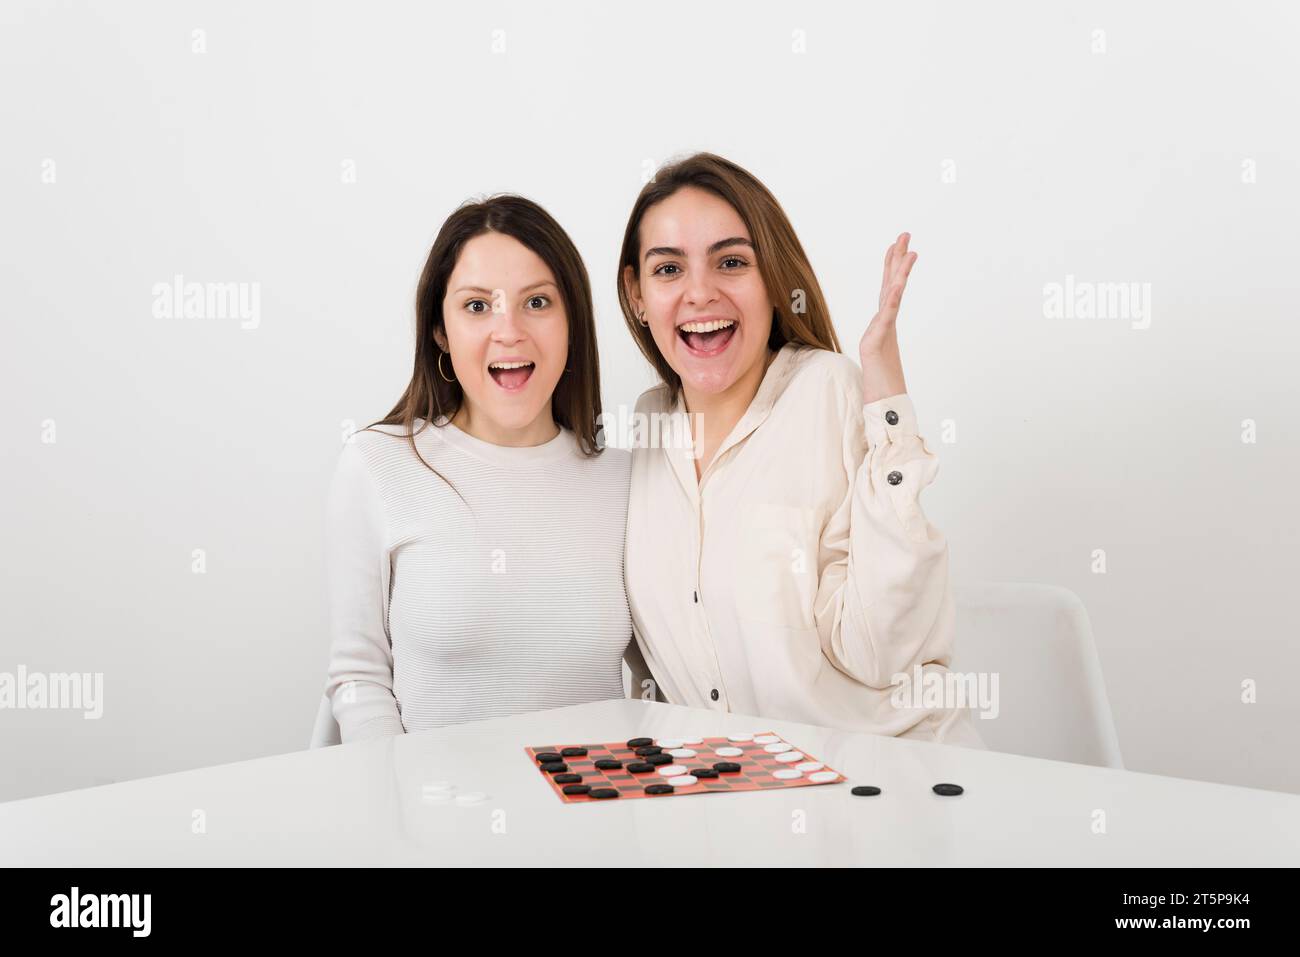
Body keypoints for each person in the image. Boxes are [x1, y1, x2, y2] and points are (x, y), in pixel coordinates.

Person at [618, 153, 984, 747]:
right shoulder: (645, 427)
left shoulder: (829, 391)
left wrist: (886, 397)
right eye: (668, 270)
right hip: (737, 799)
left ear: (773, 283)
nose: (699, 292)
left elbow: (882, 654)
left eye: (731, 262)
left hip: (889, 779)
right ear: (636, 294)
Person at [325, 195, 649, 742]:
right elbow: (358, 677)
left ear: (573, 323)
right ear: (440, 333)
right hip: (434, 813)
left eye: (538, 303)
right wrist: (400, 801)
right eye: (478, 306)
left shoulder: (629, 481)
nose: (509, 331)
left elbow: (659, 678)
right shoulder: (377, 465)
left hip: (596, 814)